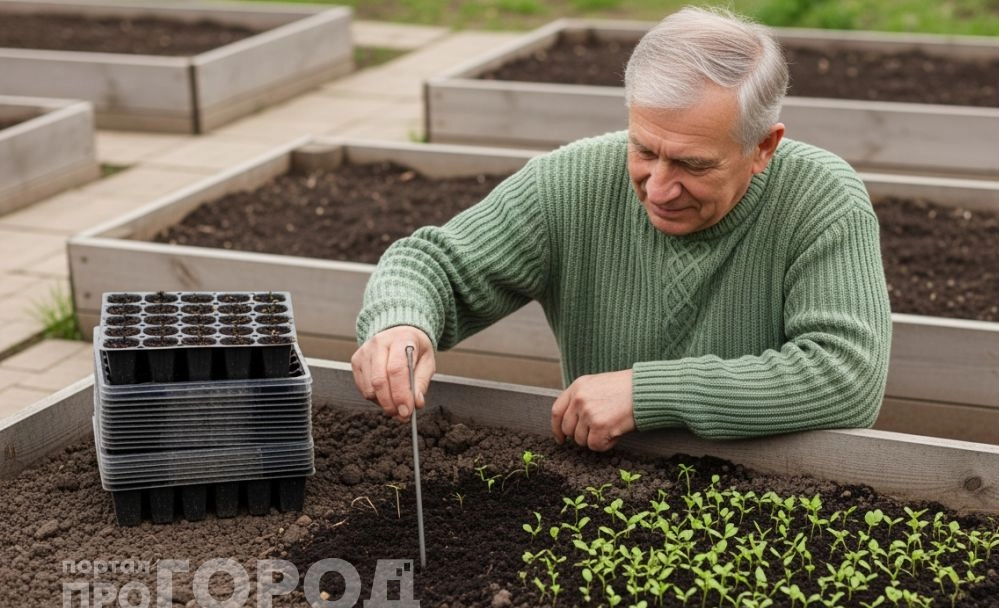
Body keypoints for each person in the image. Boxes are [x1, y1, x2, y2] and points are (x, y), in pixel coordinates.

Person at [352, 6, 891, 451]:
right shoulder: (574, 180)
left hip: (773, 498)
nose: (659, 188)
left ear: (763, 147)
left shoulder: (821, 200)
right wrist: (401, 325)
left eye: (692, 165)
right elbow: (435, 265)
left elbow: (846, 375)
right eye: (645, 150)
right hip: (600, 482)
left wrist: (646, 392)